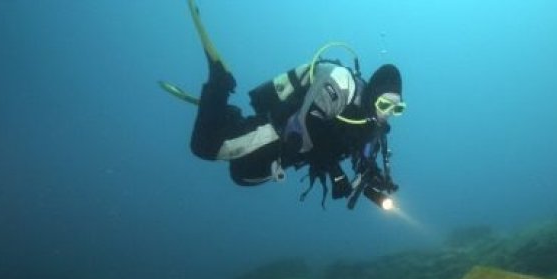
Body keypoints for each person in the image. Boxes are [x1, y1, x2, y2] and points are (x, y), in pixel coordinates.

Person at [173, 3, 406, 209]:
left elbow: (361, 156)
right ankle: (220, 79)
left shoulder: (370, 122)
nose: (388, 114)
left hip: (290, 153)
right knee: (205, 146)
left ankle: (229, 117)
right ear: (373, 94)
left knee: (242, 174)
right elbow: (306, 122)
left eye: (397, 109)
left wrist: (372, 178)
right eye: (385, 104)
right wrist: (335, 173)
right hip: (277, 130)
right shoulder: (341, 84)